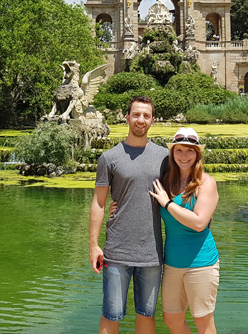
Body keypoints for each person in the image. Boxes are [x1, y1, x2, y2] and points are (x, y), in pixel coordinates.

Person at [89, 96, 169, 334]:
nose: (140, 120)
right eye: (136, 114)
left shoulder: (165, 157)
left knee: (147, 315)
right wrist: (93, 245)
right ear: (127, 118)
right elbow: (99, 202)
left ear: (152, 120)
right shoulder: (109, 158)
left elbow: (177, 194)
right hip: (117, 250)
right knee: (111, 314)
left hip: (151, 252)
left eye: (146, 115)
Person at [150, 127, 220, 334]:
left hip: (201, 262)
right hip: (172, 263)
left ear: (197, 154)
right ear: (172, 153)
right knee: (171, 319)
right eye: (179, 150)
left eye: (190, 151)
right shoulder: (166, 182)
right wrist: (115, 208)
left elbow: (199, 223)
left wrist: (168, 204)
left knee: (203, 323)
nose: (184, 156)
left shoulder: (206, 183)